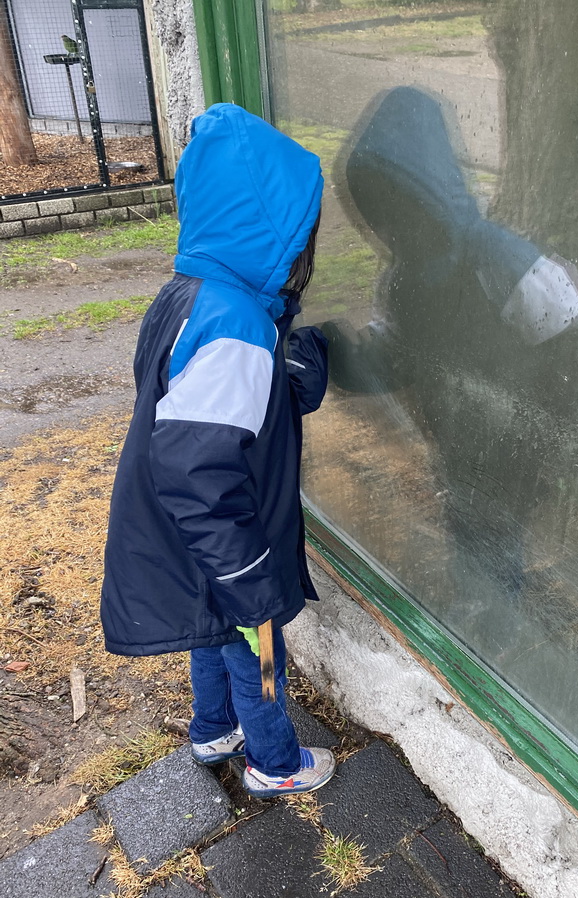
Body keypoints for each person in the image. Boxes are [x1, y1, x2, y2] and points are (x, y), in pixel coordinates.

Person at [100, 103, 335, 798]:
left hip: (190, 550)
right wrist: (251, 576)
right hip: (228, 550)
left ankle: (212, 729)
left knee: (211, 636)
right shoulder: (235, 325)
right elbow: (197, 468)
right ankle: (277, 763)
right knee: (260, 653)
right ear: (273, 230)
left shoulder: (191, 295)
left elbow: (196, 409)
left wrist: (284, 357)